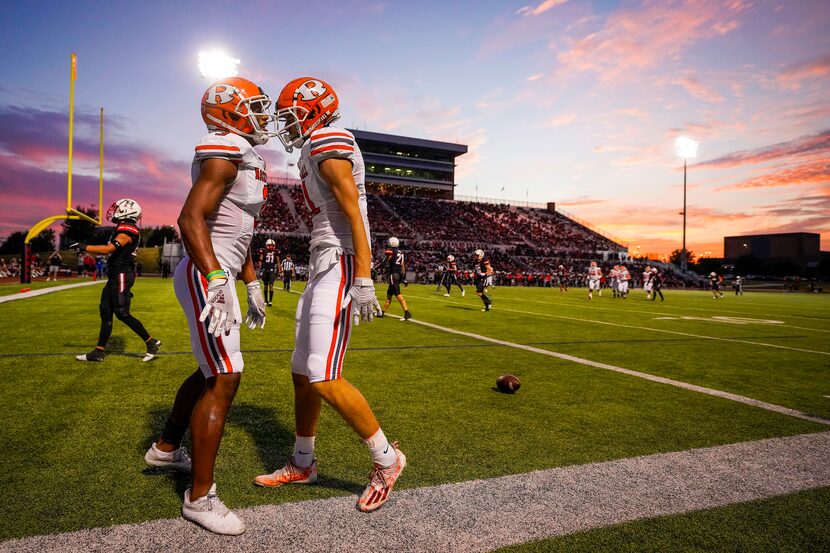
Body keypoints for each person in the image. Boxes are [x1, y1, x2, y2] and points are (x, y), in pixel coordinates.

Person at [255, 76, 406, 513]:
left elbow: (355, 214)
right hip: (323, 261)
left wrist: (362, 276)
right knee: (302, 371)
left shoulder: (328, 140)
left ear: (316, 109)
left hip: (340, 259)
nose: (285, 123)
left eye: (290, 114)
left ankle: (387, 459)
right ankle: (303, 462)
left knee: (322, 373)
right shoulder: (313, 144)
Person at [144, 77, 271, 535]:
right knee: (224, 375)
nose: (262, 115)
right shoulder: (223, 146)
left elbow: (240, 230)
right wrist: (219, 277)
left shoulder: (245, 152)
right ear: (229, 113)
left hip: (219, 272)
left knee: (208, 369)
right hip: (207, 273)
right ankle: (200, 498)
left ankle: (164, 447)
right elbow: (189, 217)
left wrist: (250, 281)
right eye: (253, 107)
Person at [72, 199, 162, 363]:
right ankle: (98, 351)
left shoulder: (127, 230)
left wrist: (84, 247)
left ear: (127, 211)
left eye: (117, 208)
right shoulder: (123, 228)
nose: (114, 210)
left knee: (122, 313)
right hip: (116, 274)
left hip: (122, 273)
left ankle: (152, 342)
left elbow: (109, 249)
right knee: (105, 310)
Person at [379, 236, 411, 320]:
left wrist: (375, 268)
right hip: (399, 275)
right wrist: (404, 278)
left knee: (397, 294)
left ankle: (407, 313)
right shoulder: (401, 253)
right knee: (389, 295)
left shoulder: (391, 251)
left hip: (393, 275)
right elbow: (403, 267)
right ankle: (382, 312)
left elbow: (384, 262)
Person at [260, 238, 279, 305]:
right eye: (270, 245)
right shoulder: (264, 251)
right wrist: (259, 268)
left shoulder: (276, 252)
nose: (271, 246)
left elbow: (278, 261)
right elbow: (261, 260)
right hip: (265, 270)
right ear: (267, 245)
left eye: (272, 245)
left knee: (271, 285)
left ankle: (270, 301)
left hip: (271, 271)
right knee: (265, 286)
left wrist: (280, 270)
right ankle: (265, 300)